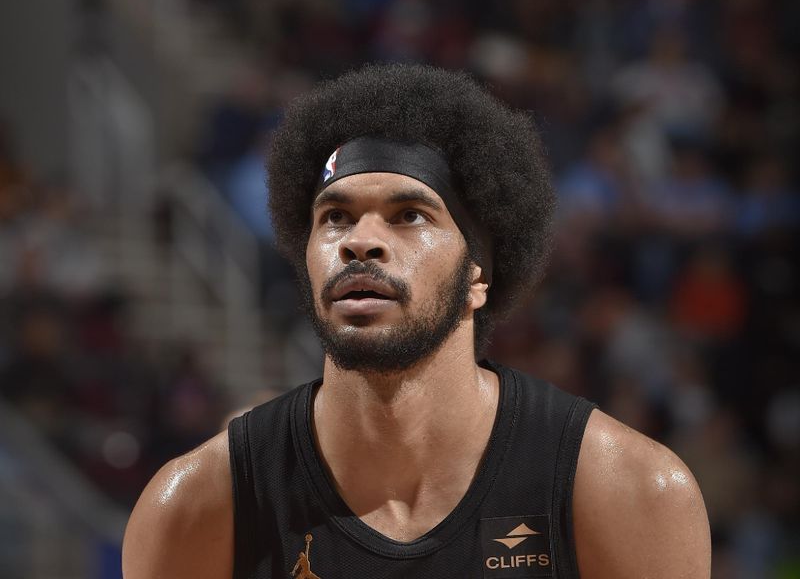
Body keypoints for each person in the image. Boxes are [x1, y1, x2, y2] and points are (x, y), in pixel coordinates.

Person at [122, 64, 710, 578]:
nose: (361, 242)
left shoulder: (625, 491)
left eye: (408, 215)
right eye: (335, 217)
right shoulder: (199, 503)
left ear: (479, 276)